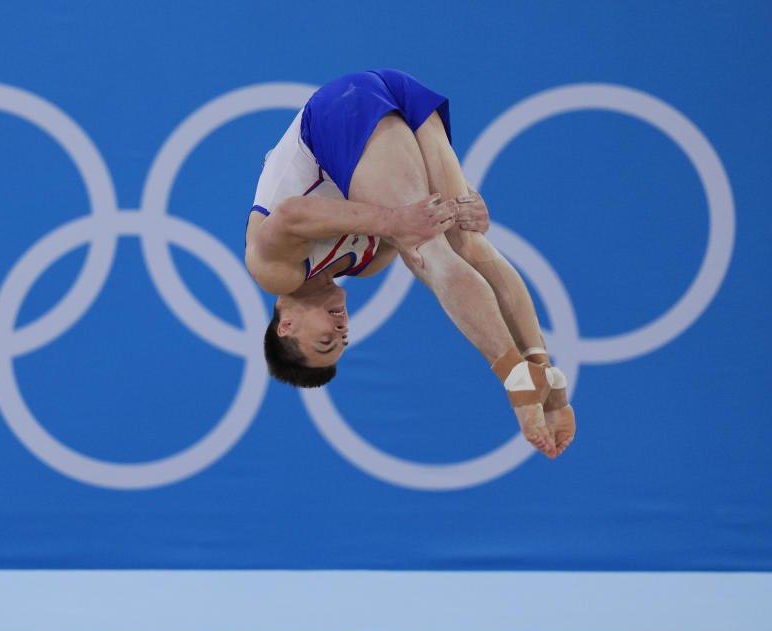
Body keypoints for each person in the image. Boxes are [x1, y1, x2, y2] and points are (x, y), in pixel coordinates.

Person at [244, 69, 575, 458]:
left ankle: (515, 381)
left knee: (428, 254)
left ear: (286, 326)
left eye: (326, 340)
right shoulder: (365, 263)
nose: (341, 328)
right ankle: (544, 373)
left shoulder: (274, 274)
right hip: (393, 89)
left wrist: (391, 222)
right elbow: (428, 213)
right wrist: (466, 206)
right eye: (343, 340)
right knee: (464, 241)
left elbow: (290, 214)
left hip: (337, 111)